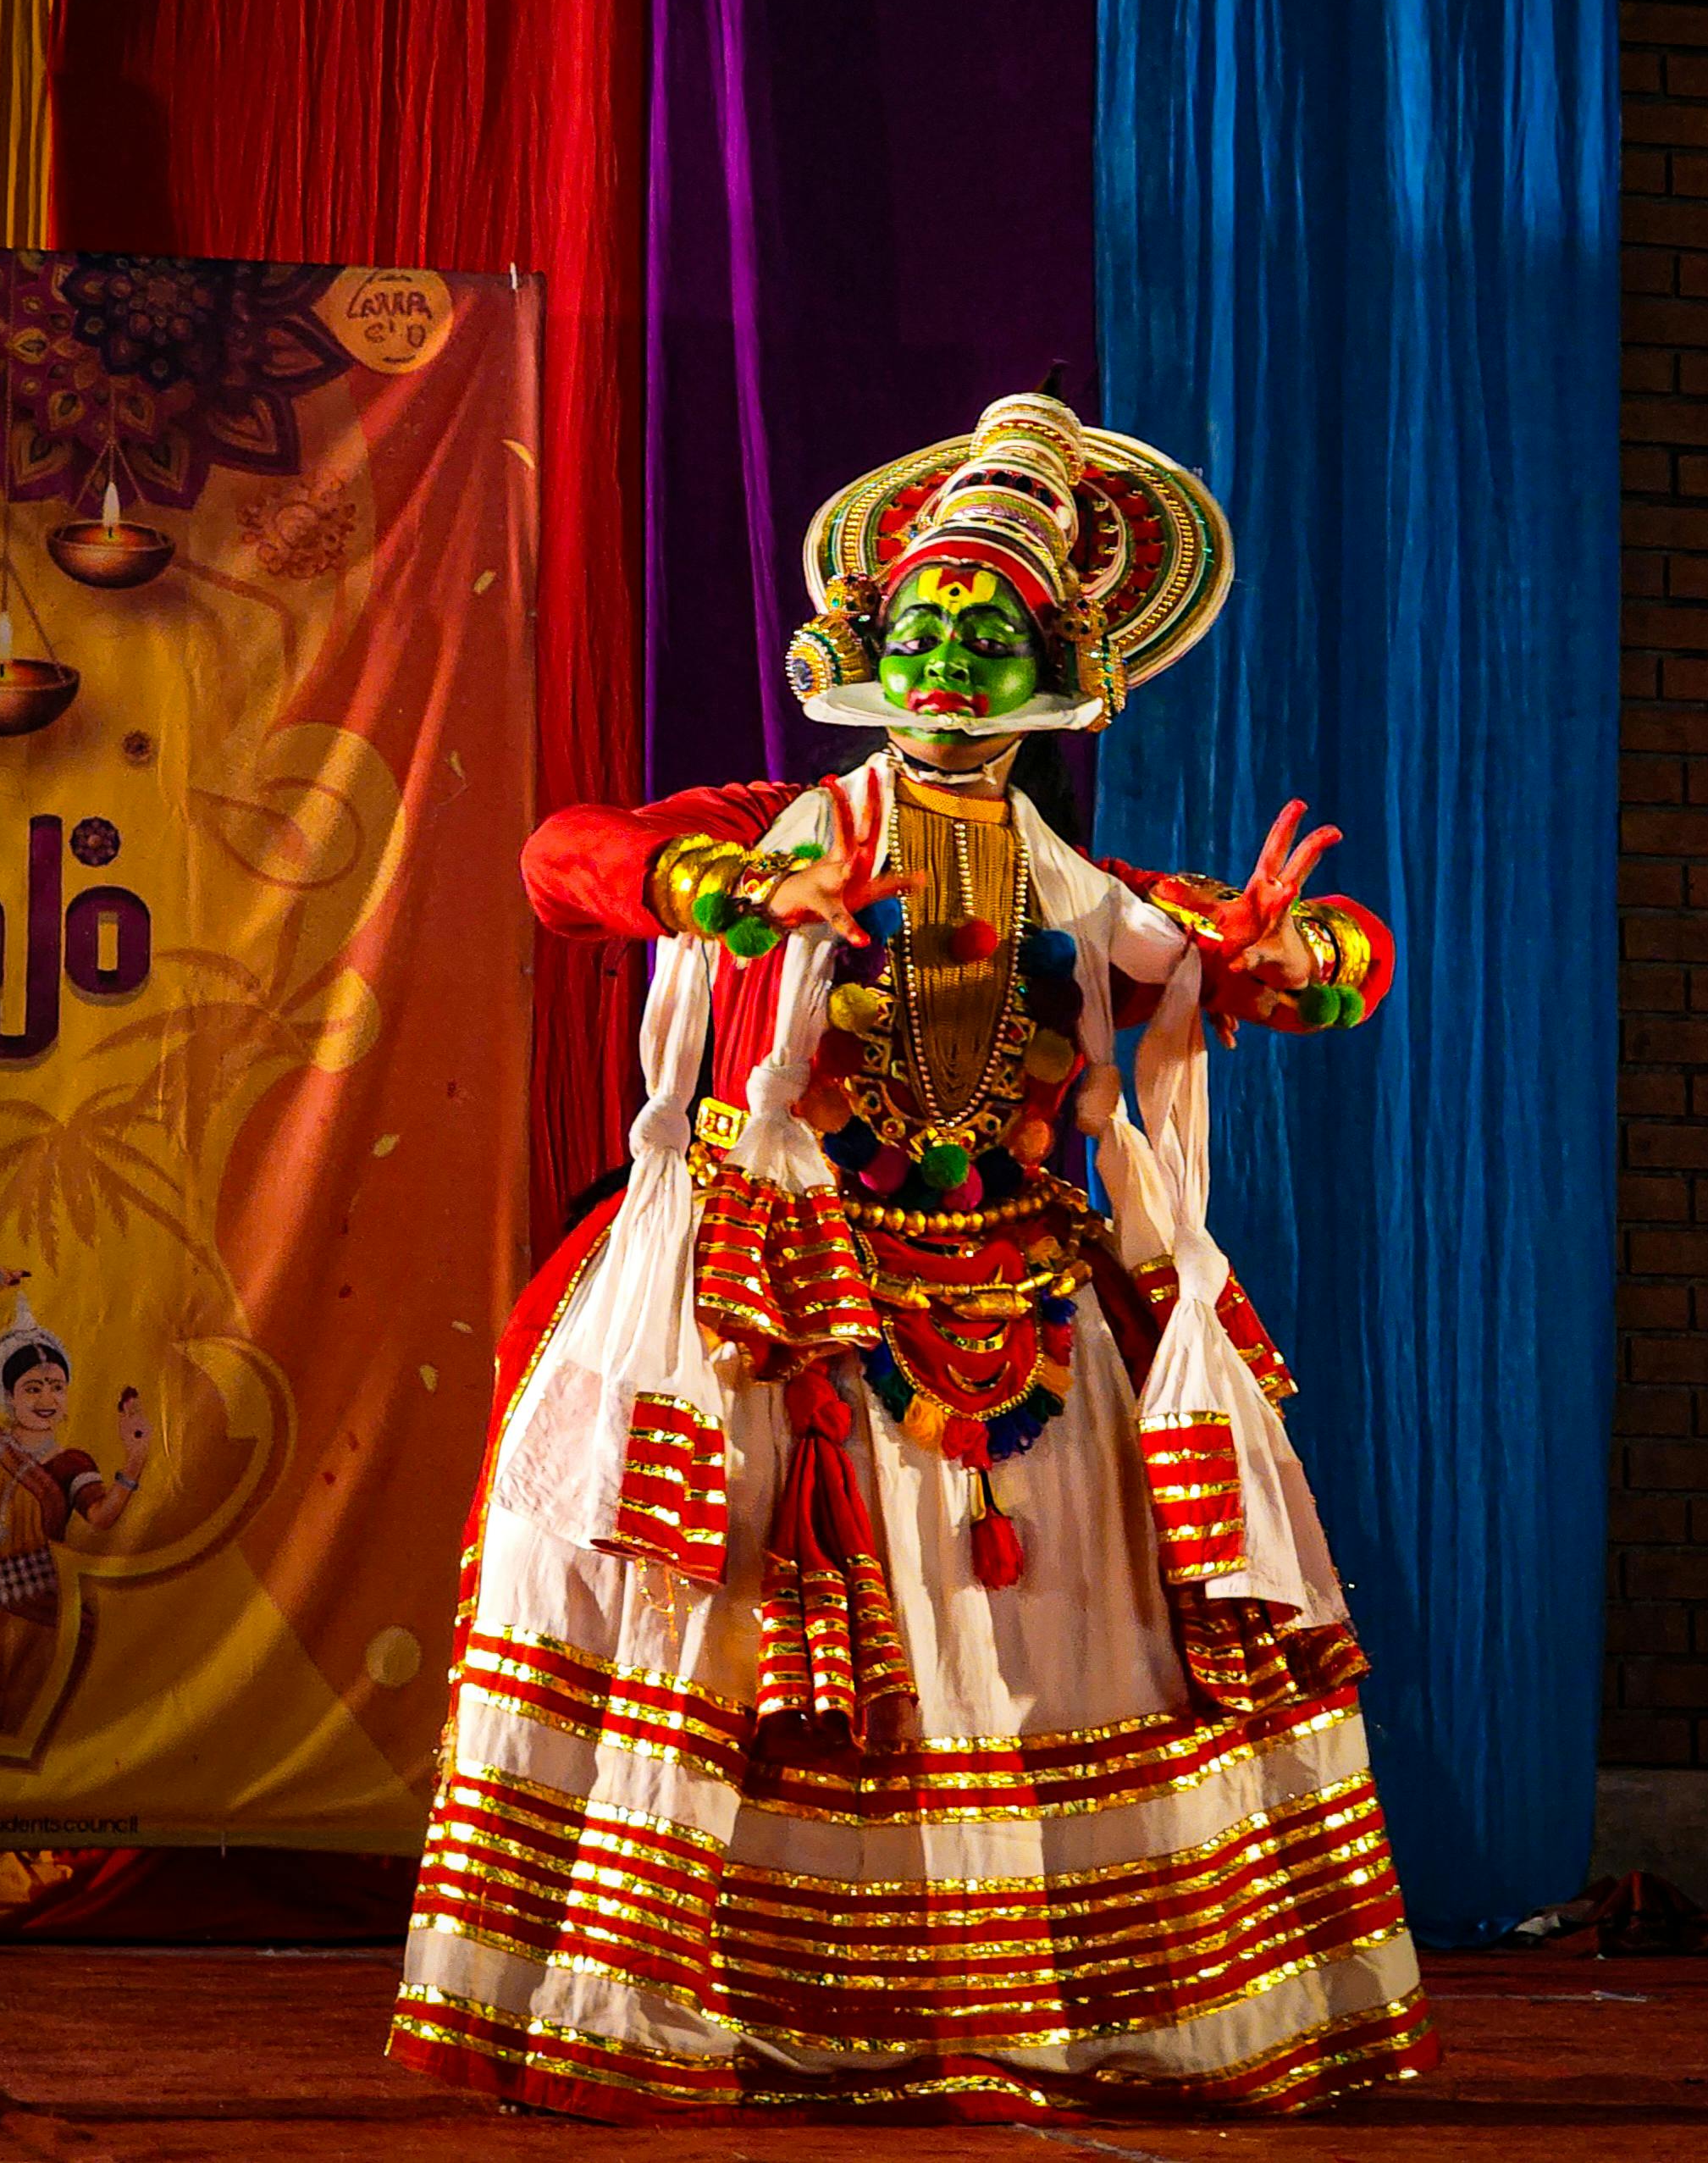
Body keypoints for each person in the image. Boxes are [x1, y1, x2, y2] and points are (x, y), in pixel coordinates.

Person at [390, 392, 1435, 2119]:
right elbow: (563, 858)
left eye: (987, 627)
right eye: (926, 624)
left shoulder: (1086, 893)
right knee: (724, 1636)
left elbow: (1329, 956)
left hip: (1011, 1315)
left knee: (1031, 1660)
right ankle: (699, 2003)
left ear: (1053, 659)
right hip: (777, 1306)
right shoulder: (779, 824)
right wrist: (723, 892)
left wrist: (1287, 957)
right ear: (865, 643)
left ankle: (991, 2009)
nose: (950, 659)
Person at [0, 1268, 148, 1738]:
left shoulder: (69, 1462)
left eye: (56, 1386)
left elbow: (101, 1517)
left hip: (36, 1617)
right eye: (32, 1388)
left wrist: (135, 1461)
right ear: (8, 1397)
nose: (47, 1398)